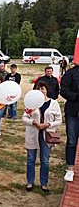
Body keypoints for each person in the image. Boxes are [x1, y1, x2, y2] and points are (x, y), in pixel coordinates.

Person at [23, 81, 62, 192]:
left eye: (42, 89)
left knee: (44, 160)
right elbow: (24, 118)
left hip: (47, 135)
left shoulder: (53, 103)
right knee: (31, 159)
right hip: (33, 134)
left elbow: (59, 120)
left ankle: (44, 183)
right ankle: (30, 182)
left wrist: (48, 124)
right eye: (38, 89)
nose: (41, 91)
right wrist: (33, 123)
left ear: (46, 90)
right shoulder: (31, 104)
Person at [60, 44, 79, 183]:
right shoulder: (70, 73)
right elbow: (63, 90)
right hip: (73, 113)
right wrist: (75, 96)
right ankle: (70, 168)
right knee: (72, 141)